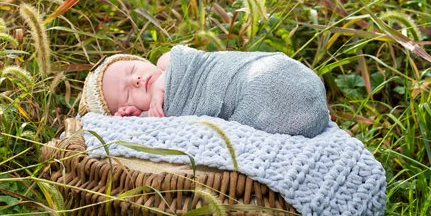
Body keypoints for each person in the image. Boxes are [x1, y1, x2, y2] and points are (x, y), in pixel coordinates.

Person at [78, 45, 330, 138]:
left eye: (133, 68)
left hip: (260, 76)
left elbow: (183, 58)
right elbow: (163, 127)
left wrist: (158, 91)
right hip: (265, 107)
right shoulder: (156, 114)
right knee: (249, 127)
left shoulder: (166, 63)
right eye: (126, 94)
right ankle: (296, 118)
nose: (136, 80)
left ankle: (298, 106)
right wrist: (136, 117)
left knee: (262, 86)